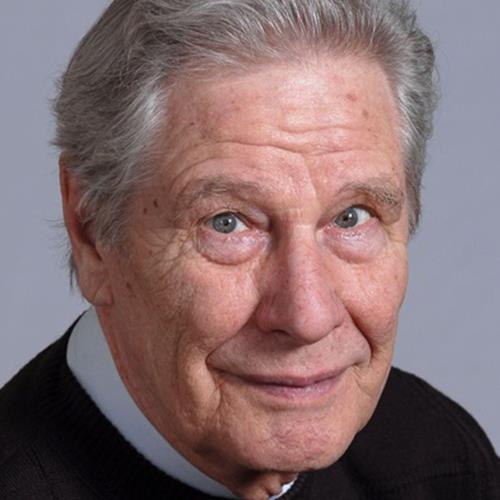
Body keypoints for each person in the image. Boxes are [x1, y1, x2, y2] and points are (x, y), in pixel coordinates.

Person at [0, 0, 499, 498]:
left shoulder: (442, 464)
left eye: (351, 217)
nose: (307, 317)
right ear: (90, 230)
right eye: (228, 223)